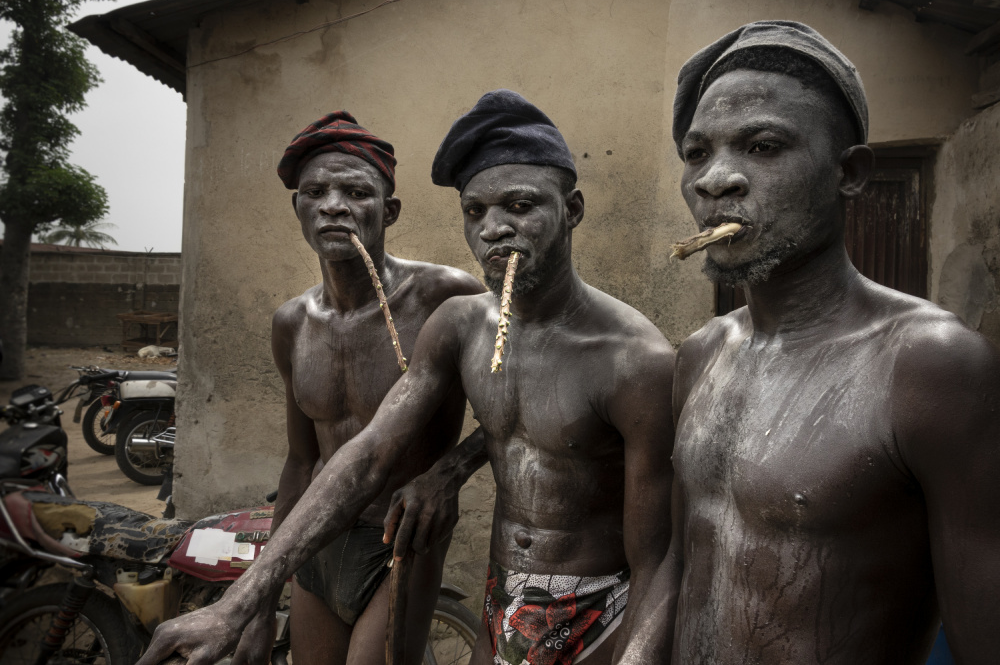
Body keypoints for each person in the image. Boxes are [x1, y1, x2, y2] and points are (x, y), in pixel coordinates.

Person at [137, 90, 675, 665]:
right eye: (476, 212)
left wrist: (446, 471)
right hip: (491, 593)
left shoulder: (631, 359)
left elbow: (661, 555)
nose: (494, 229)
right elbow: (361, 453)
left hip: (581, 601)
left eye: (520, 207)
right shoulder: (457, 325)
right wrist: (245, 600)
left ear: (572, 210)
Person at [620, 21, 1000, 664]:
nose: (717, 180)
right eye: (696, 154)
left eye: (763, 147)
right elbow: (682, 559)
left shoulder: (931, 366)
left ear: (850, 173)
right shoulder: (701, 356)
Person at [266, 111, 482, 665]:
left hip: (402, 540)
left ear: (388, 211)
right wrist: (262, 596)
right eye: (314, 191)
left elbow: (518, 410)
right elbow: (299, 461)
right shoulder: (293, 321)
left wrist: (445, 476)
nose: (333, 204)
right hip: (317, 539)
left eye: (354, 191)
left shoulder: (445, 297)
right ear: (298, 208)